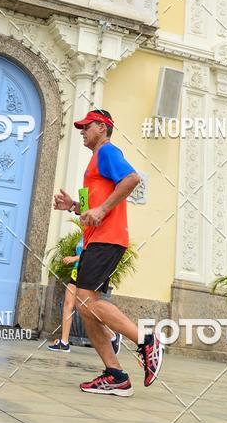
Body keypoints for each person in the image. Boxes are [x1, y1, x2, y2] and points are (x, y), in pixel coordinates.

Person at [53, 109, 163, 396]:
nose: (82, 131)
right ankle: (115, 375)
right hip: (96, 240)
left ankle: (146, 340)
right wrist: (76, 206)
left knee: (87, 303)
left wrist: (102, 210)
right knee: (85, 307)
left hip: (107, 239)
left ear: (102, 127)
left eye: (86, 127)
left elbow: (132, 179)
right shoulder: (95, 160)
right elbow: (93, 207)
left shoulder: (107, 152)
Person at [48, 234, 122, 355]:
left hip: (88, 273)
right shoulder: (85, 234)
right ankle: (64, 342)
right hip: (77, 271)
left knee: (88, 308)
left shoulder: (97, 233)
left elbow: (91, 255)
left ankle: (112, 335)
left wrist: (74, 258)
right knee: (68, 304)